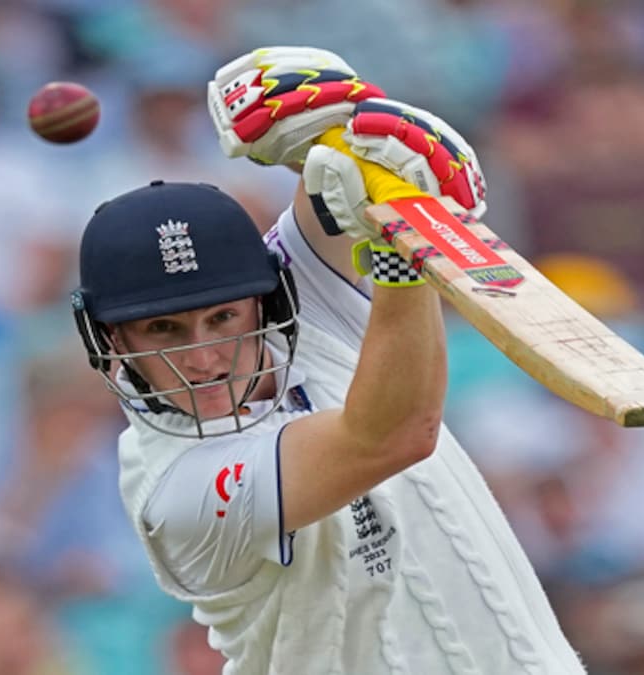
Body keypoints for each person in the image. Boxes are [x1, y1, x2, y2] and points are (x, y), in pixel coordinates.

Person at [71, 47, 584, 673]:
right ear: (114, 341)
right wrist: (404, 253)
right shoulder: (178, 492)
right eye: (164, 329)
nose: (204, 358)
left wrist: (336, 125)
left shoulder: (294, 305)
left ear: (264, 302)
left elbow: (335, 187)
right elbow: (391, 435)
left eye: (223, 318)